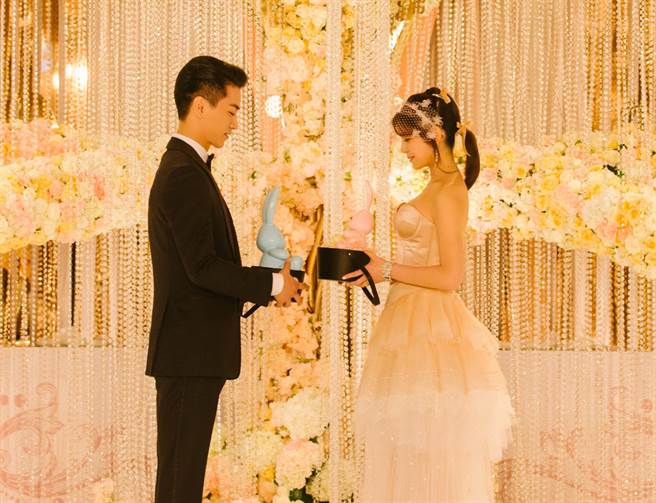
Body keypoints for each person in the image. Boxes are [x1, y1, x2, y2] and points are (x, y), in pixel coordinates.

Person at [146, 56, 306, 503]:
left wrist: (268, 282)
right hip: (188, 353)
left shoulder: (189, 168)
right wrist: (273, 285)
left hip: (192, 352)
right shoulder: (183, 174)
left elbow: (202, 265)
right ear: (201, 106)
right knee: (179, 482)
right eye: (231, 110)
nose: (235, 123)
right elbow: (203, 268)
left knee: (182, 479)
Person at [346, 87, 514, 502]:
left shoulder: (451, 190)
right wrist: (375, 267)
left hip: (430, 323)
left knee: (428, 449)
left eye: (408, 139)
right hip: (407, 315)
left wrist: (386, 269)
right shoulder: (436, 186)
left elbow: (451, 275)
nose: (403, 149)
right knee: (405, 449)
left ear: (435, 134)